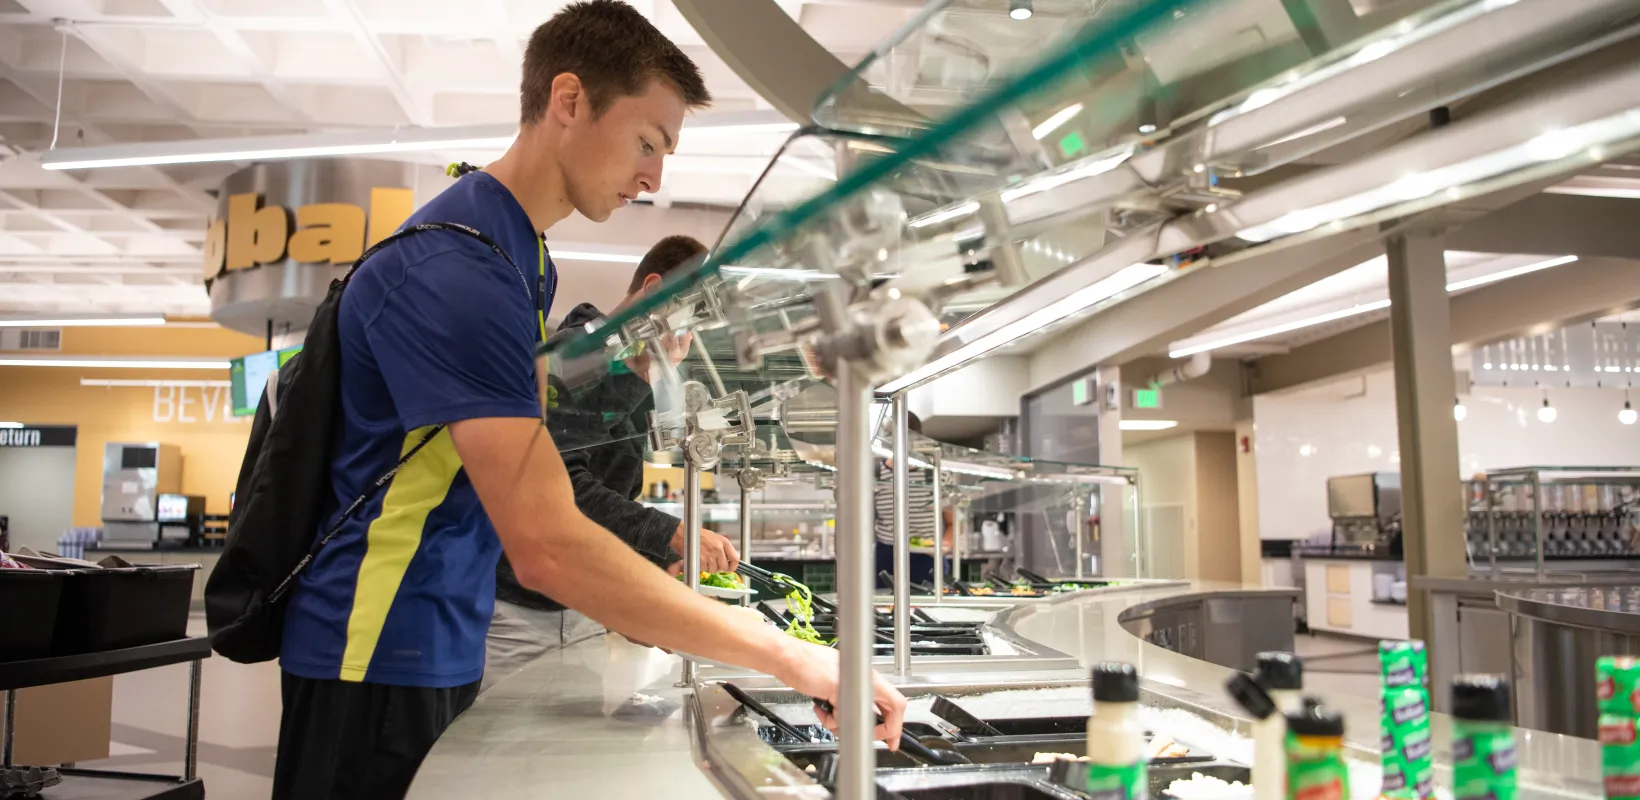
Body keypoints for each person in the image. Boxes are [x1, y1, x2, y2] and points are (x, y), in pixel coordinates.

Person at [270, 3, 906, 798]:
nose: (654, 178)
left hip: (438, 634)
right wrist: (787, 655)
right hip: (374, 652)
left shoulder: (521, 259)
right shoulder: (460, 270)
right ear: (568, 100)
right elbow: (546, 540)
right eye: (647, 143)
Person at [484, 234, 742, 692]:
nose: (690, 336)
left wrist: (647, 575)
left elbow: (614, 493)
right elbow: (560, 486)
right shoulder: (575, 359)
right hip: (518, 613)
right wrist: (671, 533)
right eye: (692, 315)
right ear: (654, 289)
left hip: (580, 606)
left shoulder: (631, 370)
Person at [873, 412, 954, 588]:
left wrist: (945, 545)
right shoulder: (876, 473)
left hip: (927, 557)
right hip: (886, 556)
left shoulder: (936, 473)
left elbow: (952, 522)